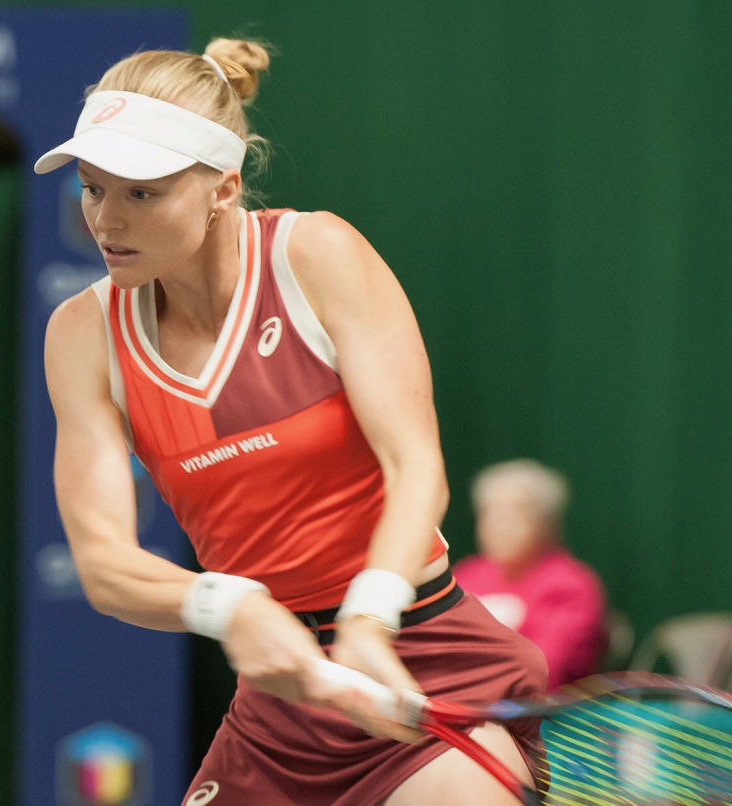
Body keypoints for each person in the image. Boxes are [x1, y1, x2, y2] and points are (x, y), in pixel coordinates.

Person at [37, 38, 547, 805]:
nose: (106, 220)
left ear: (222, 187)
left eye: (142, 193)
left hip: (422, 655)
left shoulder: (318, 256)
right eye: (93, 189)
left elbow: (416, 467)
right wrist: (228, 604)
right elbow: (105, 564)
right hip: (283, 695)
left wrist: (370, 619)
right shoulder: (82, 334)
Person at [454, 459, 608, 690]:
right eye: (490, 513)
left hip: (542, 717)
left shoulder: (571, 585)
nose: (500, 525)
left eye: (516, 514)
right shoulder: (464, 575)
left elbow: (543, 671)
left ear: (548, 523)